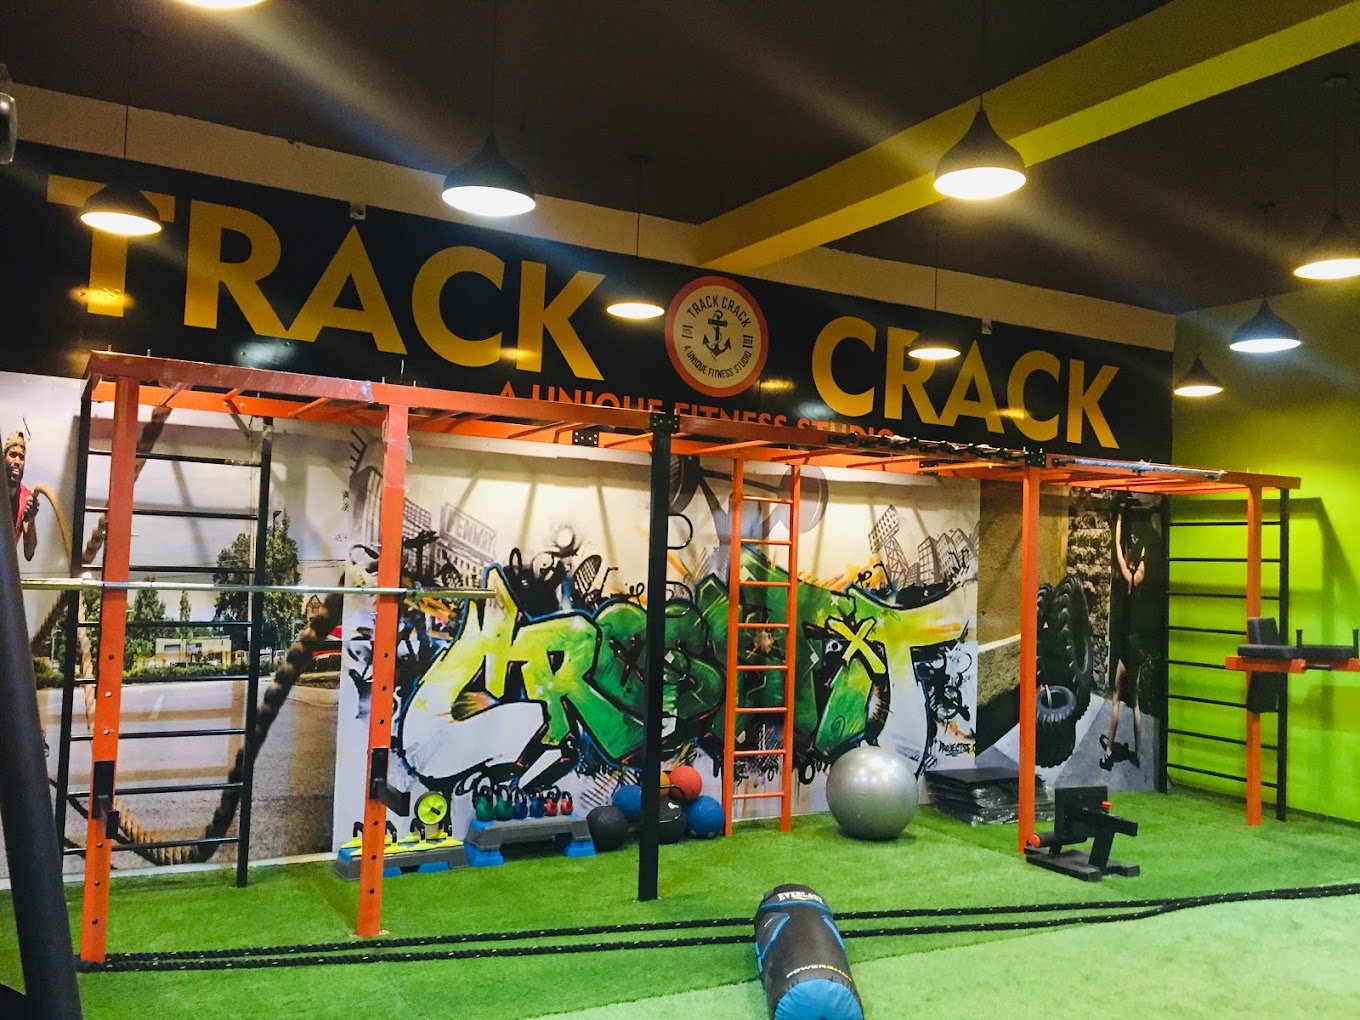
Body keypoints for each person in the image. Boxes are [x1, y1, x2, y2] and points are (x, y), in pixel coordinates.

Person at [1102, 511, 1145, 770]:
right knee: (1135, 701)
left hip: (1125, 642)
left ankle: (1109, 748)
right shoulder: (1140, 575)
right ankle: (1138, 751)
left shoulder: (1126, 575)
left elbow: (1117, 546)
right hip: (1136, 642)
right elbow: (1142, 556)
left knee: (1117, 698)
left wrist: (1118, 520)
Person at [5, 429, 38, 561]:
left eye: (21, 457)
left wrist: (31, 519)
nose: (17, 461)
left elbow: (29, 553)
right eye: (13, 455)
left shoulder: (26, 498)